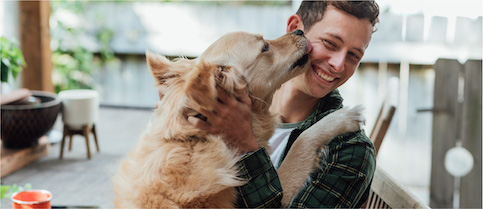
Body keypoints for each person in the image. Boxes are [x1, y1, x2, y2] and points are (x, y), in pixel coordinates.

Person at [165, 1, 380, 207]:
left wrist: (244, 145)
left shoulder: (350, 150)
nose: (338, 64)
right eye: (330, 43)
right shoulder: (217, 112)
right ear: (295, 28)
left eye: (353, 55)